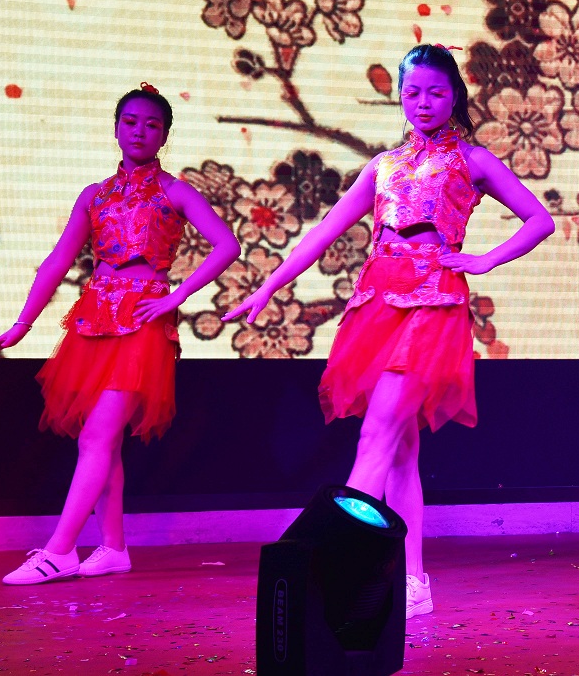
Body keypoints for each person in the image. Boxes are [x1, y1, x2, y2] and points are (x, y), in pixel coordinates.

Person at [223, 44, 553, 618]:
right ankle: (412, 580)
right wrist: (269, 286)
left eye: (436, 92)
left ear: (455, 96)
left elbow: (539, 220)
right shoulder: (384, 166)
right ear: (400, 96)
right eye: (413, 92)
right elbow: (324, 232)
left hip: (433, 304)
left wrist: (483, 260)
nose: (424, 103)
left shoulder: (472, 160)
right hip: (377, 304)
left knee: (377, 435)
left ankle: (329, 563)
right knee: (399, 451)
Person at [0, 84, 240, 584]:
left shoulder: (175, 191)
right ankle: (114, 547)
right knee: (103, 443)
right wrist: (20, 325)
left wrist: (177, 296)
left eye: (152, 125)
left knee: (97, 436)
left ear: (164, 135)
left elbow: (227, 245)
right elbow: (57, 262)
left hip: (142, 323)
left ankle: (60, 550)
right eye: (130, 122)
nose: (139, 132)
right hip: (94, 320)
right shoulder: (95, 195)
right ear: (116, 128)